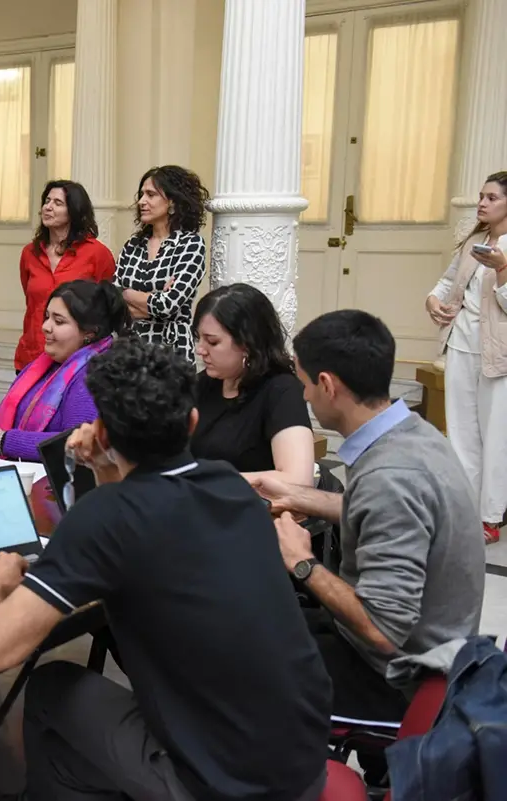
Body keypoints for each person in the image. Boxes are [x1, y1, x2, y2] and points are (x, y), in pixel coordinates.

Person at [0, 337, 330, 801]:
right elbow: (131, 514)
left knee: (49, 687)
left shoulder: (103, 520)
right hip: (301, 756)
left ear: (101, 433)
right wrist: (102, 467)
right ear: (192, 422)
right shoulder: (230, 485)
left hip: (224, 784)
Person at [252, 311, 483, 751]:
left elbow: (382, 628)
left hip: (398, 678)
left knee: (229, 664)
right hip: (409, 647)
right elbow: (388, 513)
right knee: (255, 619)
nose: (303, 396)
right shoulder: (411, 433)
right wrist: (301, 497)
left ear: (328, 385)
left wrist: (302, 562)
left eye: (304, 384)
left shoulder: (391, 474)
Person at [425, 171, 507, 544]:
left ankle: (489, 518)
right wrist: (433, 302)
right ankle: (461, 509)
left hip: (499, 355)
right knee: (460, 432)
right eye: (481, 196)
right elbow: (446, 283)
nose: (482, 203)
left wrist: (502, 269)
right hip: (461, 345)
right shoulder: (473, 241)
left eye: (491, 197)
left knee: (496, 436)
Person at [0, 280, 128, 460]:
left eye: (59, 321)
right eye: (47, 317)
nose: (45, 327)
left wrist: (3, 440)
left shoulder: (94, 375)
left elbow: (79, 443)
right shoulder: (44, 364)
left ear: (89, 333)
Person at [191, 282, 315, 486]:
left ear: (247, 344)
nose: (200, 350)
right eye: (198, 339)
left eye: (212, 342)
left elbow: (298, 479)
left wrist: (207, 480)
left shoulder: (281, 390)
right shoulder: (203, 383)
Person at [14, 180, 116, 371]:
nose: (48, 207)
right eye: (47, 201)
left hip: (77, 359)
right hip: (32, 355)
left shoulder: (97, 254)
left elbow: (107, 307)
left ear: (74, 211)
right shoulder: (30, 252)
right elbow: (32, 301)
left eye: (58, 203)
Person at [114, 166, 209, 361]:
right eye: (141, 195)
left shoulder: (190, 244)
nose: (142, 202)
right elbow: (112, 301)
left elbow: (168, 304)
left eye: (151, 195)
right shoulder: (133, 245)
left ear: (173, 201)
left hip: (171, 353)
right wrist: (151, 297)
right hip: (129, 351)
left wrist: (127, 293)